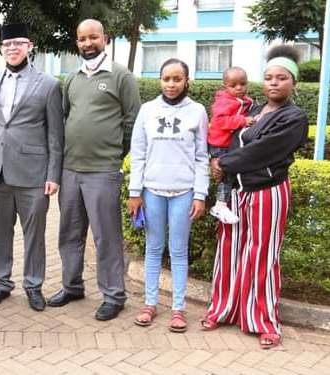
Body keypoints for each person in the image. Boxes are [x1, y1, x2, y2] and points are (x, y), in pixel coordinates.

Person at [202, 45, 308, 350]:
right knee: (229, 252)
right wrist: (216, 156)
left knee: (262, 255)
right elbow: (225, 137)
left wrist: (223, 163)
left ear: (293, 83)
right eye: (269, 77)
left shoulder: (294, 118)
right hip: (236, 193)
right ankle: (223, 310)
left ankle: (263, 320)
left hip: (267, 192)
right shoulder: (250, 110)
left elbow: (260, 151)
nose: (274, 82)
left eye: (282, 78)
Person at [48, 19, 141, 321]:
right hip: (70, 169)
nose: (87, 43)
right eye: (81, 39)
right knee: (70, 233)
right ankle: (72, 286)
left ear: (106, 39)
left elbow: (132, 122)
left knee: (106, 236)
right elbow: (65, 118)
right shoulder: (72, 78)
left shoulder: (120, 76)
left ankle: (114, 295)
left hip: (103, 170)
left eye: (93, 38)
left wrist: (114, 153)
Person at [0, 23, 63, 312]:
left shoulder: (49, 84)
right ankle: (1, 282)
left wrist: (53, 174)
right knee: (0, 232)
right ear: (1, 48)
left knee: (34, 233)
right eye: (7, 44)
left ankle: (33, 284)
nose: (12, 48)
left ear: (29, 46)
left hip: (34, 173)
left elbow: (55, 133)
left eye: (18, 43)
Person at [127, 58, 209, 333]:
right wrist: (135, 192)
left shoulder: (197, 112)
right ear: (160, 80)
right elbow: (137, 154)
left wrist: (200, 194)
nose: (171, 84)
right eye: (166, 79)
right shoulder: (147, 110)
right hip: (152, 192)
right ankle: (150, 304)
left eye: (177, 79)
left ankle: (178, 308)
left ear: (187, 81)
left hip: (183, 192)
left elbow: (201, 157)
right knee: (153, 248)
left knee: (177, 251)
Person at [207, 66, 254, 224]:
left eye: (243, 83)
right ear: (225, 86)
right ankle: (219, 206)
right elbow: (219, 121)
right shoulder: (224, 101)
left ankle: (225, 203)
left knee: (231, 175)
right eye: (233, 85)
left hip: (228, 145)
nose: (239, 88)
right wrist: (243, 121)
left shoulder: (243, 100)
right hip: (220, 145)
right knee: (226, 176)